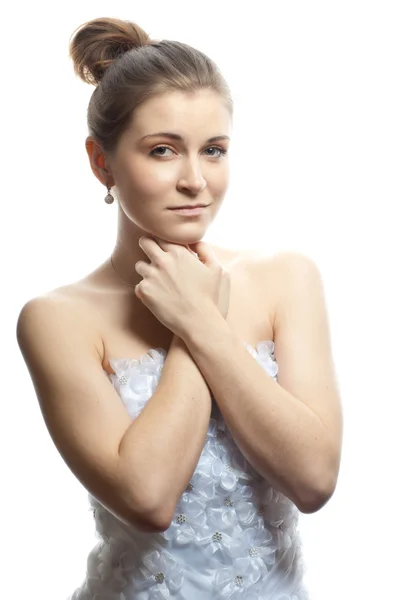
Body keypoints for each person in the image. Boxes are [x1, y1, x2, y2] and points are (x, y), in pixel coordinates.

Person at [16, 16, 343, 600]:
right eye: (163, 150)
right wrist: (193, 326)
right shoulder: (55, 319)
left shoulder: (287, 278)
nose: (195, 180)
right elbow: (147, 498)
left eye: (213, 150)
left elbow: (315, 481)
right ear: (102, 164)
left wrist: (199, 319)